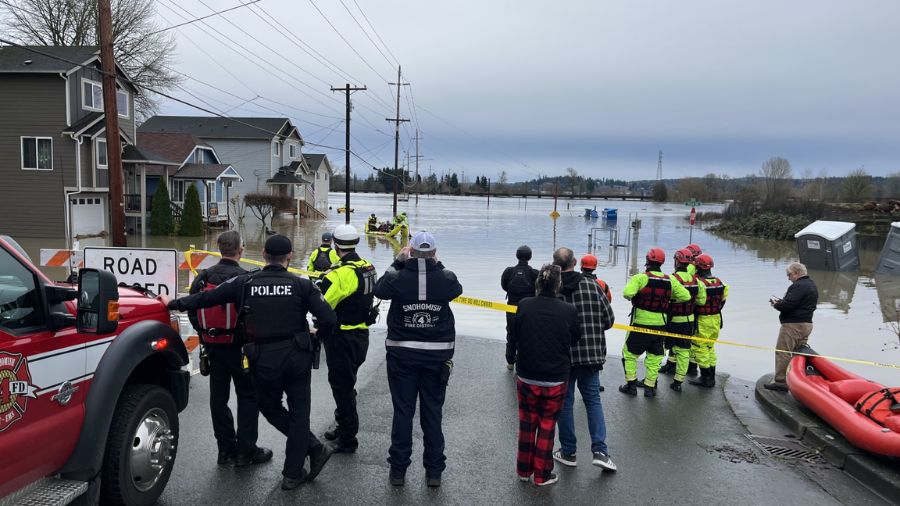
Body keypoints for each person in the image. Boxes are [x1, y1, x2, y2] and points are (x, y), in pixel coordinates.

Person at [166, 234, 337, 490]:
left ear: (264, 254)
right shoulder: (301, 284)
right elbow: (329, 319)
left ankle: (312, 449)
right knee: (299, 412)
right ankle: (293, 473)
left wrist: (173, 303)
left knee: (269, 407)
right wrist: (316, 337)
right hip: (297, 356)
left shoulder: (245, 282)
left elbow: (205, 299)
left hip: (262, 358)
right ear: (290, 256)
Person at [374, 231, 463, 488]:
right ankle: (434, 471)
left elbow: (379, 289)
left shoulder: (397, 277)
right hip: (437, 356)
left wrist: (398, 261)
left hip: (402, 355)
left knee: (403, 411)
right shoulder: (445, 278)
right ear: (434, 253)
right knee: (432, 413)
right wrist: (436, 263)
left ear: (410, 252)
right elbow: (456, 288)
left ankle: (398, 470)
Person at [187, 231, 270, 467]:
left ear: (219, 248)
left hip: (213, 346)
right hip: (240, 349)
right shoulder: (246, 279)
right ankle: (246, 451)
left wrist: (205, 335)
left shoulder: (202, 278)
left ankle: (225, 450)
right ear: (241, 250)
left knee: (218, 398)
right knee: (248, 396)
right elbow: (256, 316)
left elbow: (193, 308)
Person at [510, 264, 580, 487]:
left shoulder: (524, 305)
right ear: (558, 284)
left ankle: (523, 470)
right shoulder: (568, 310)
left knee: (527, 422)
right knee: (547, 425)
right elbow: (575, 338)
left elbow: (515, 333)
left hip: (527, 374)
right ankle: (542, 475)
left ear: (538, 282)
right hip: (555, 377)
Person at [552, 248, 617, 471]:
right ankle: (600, 452)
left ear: (555, 264)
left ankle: (568, 452)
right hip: (591, 354)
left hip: (563, 356)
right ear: (574, 262)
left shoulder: (553, 289)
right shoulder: (593, 286)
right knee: (593, 401)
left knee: (565, 403)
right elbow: (609, 320)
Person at [319, 224, 377, 453]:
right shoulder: (368, 267)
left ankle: (348, 438)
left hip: (342, 337)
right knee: (347, 383)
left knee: (342, 387)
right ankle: (343, 424)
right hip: (361, 335)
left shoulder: (340, 274)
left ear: (335, 244)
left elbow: (324, 306)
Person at [620, 248, 690, 397]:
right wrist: (669, 300)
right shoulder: (670, 280)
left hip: (640, 324)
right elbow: (686, 296)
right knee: (655, 357)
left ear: (647, 260)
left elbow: (627, 293)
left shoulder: (640, 278)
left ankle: (631, 386)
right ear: (662, 262)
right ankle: (650, 388)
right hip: (660, 325)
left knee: (629, 354)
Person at [658, 248, 707, 392]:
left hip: (673, 320)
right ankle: (678, 382)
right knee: (684, 352)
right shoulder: (697, 281)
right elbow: (702, 301)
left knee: (663, 347)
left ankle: (654, 379)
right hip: (689, 321)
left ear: (676, 262)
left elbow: (665, 297)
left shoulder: (672, 279)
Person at [765, 262, 817, 391]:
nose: (788, 278)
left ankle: (781, 382)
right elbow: (799, 304)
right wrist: (783, 302)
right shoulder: (812, 285)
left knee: (783, 352)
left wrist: (776, 304)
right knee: (799, 354)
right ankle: (797, 380)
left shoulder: (798, 286)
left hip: (793, 326)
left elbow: (787, 306)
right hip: (807, 324)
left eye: (789, 275)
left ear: (796, 273)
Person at [689, 254, 729, 389]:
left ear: (698, 267)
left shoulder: (699, 283)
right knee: (710, 347)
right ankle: (711, 376)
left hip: (703, 319)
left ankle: (706, 378)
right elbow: (723, 300)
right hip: (716, 318)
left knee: (700, 348)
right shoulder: (720, 282)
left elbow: (697, 301)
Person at [500, 245, 539, 369]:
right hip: (528, 309)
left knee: (511, 333)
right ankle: (523, 362)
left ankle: (510, 362)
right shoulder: (534, 273)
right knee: (527, 334)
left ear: (517, 255)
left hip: (511, 307)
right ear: (530, 257)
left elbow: (504, 286)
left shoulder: (509, 271)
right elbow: (539, 288)